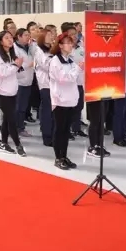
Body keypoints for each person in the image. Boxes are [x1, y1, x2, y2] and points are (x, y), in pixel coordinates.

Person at [48, 33, 82, 170]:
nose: (71, 45)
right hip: (60, 100)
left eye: (71, 42)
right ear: (60, 45)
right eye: (67, 43)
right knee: (60, 129)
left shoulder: (70, 60)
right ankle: (58, 157)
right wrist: (78, 69)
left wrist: (77, 69)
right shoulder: (55, 61)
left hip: (70, 100)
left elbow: (74, 78)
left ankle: (64, 155)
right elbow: (64, 79)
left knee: (66, 130)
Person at [0, 30, 26, 157]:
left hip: (12, 90)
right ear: (1, 41)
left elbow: (15, 71)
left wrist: (18, 66)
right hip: (2, 92)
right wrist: (16, 66)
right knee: (11, 119)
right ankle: (18, 144)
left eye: (11, 37)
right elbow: (2, 73)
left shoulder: (11, 53)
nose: (10, 40)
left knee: (7, 118)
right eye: (6, 38)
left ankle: (4, 143)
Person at [34, 29, 54, 146]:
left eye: (52, 34)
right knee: (47, 111)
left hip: (55, 84)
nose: (51, 36)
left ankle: (53, 133)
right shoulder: (38, 50)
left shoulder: (53, 49)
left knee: (54, 112)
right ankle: (47, 136)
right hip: (45, 85)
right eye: (48, 35)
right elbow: (47, 65)